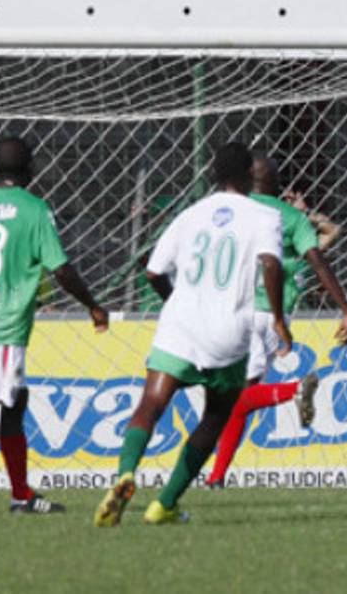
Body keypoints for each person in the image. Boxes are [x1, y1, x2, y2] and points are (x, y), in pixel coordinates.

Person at [94, 142, 289, 526]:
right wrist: (279, 318)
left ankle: (125, 475)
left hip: (180, 323)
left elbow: (152, 271)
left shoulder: (190, 214)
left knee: (150, 404)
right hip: (227, 328)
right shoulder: (264, 215)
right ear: (250, 174)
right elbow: (269, 262)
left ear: (213, 173)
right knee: (216, 415)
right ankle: (163, 504)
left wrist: (176, 302)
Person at [0, 136, 108, 516]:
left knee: (15, 401)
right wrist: (93, 305)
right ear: (31, 169)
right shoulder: (33, 209)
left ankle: (21, 495)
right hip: (4, 323)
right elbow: (60, 268)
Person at [204, 154, 347, 488]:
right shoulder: (291, 218)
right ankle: (216, 476)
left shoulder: (227, 209)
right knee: (238, 400)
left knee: (236, 400)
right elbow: (318, 262)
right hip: (272, 316)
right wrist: (345, 308)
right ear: (279, 183)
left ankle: (216, 476)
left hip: (229, 311)